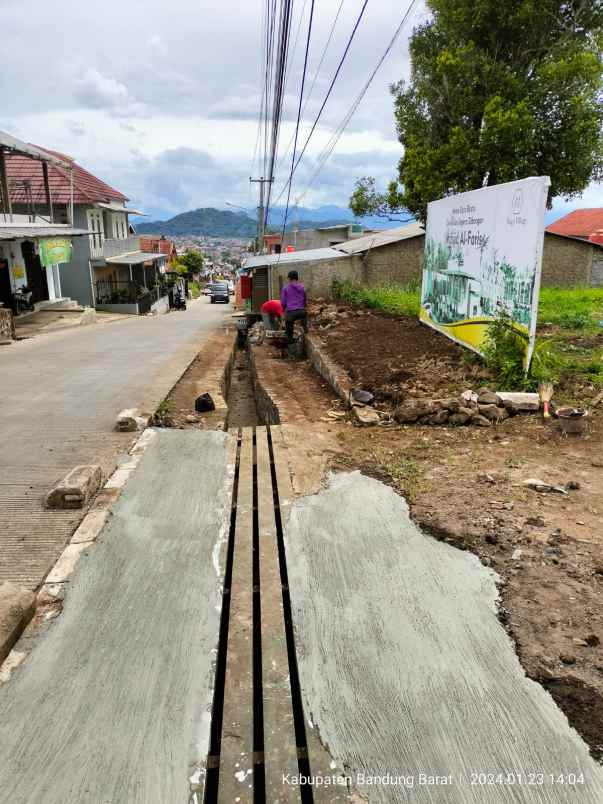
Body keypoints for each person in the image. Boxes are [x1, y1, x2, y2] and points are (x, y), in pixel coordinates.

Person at [280, 270, 308, 345]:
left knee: (289, 327)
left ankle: (290, 343)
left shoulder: (285, 288)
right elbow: (305, 300)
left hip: (291, 313)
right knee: (304, 315)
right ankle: (305, 329)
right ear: (297, 278)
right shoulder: (302, 287)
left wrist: (284, 311)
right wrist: (303, 307)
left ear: (289, 278)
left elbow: (283, 303)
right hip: (302, 312)